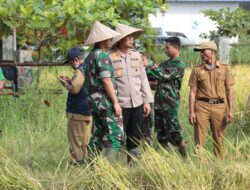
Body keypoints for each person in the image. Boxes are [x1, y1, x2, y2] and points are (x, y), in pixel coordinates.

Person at [109, 23, 154, 162]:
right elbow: (109, 83)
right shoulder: (110, 57)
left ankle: (132, 167)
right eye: (128, 36)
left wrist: (146, 101)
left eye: (132, 36)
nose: (131, 39)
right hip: (120, 105)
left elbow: (143, 79)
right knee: (117, 139)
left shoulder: (136, 56)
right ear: (120, 39)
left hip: (137, 104)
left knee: (135, 139)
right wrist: (114, 103)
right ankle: (114, 169)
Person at [84, 21, 124, 161]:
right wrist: (115, 102)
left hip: (94, 103)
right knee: (116, 135)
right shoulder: (102, 56)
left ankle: (90, 165)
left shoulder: (89, 57)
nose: (111, 40)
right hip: (105, 103)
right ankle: (109, 169)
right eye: (109, 38)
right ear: (102, 40)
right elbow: (106, 80)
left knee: (99, 134)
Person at [188, 41, 234, 158]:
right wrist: (191, 112)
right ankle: (200, 165)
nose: (201, 54)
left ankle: (218, 164)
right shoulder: (197, 70)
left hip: (219, 107)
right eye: (200, 52)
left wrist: (230, 110)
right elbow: (192, 92)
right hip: (202, 106)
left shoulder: (225, 68)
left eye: (203, 51)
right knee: (199, 138)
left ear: (212, 51)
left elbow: (229, 90)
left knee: (219, 138)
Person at [145, 37, 187, 157]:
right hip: (159, 103)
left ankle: (185, 157)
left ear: (176, 48)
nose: (166, 50)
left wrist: (150, 65)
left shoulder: (179, 65)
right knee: (161, 134)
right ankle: (169, 159)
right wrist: (145, 66)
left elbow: (164, 75)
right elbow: (152, 75)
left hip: (170, 103)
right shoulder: (164, 64)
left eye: (168, 48)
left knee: (174, 132)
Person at [58, 47, 92, 166]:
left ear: (76, 60)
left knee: (75, 141)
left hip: (77, 113)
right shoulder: (89, 68)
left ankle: (78, 164)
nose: (70, 65)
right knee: (84, 141)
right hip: (87, 111)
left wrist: (65, 84)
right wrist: (70, 81)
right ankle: (84, 162)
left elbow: (74, 89)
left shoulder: (79, 71)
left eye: (70, 62)